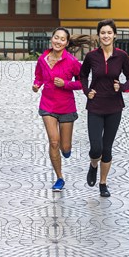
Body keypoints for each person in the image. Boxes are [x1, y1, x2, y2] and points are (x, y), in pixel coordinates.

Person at [79, 19, 129, 197]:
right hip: (95, 106)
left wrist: (123, 86)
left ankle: (103, 183)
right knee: (95, 148)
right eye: (103, 33)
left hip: (114, 106)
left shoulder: (121, 56)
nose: (106, 36)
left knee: (107, 148)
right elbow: (82, 74)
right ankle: (93, 165)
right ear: (98, 36)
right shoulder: (91, 56)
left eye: (109, 33)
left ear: (115, 35)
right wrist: (86, 90)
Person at [32, 27, 82, 191]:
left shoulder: (72, 62)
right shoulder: (43, 59)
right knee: (54, 141)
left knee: (64, 147)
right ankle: (59, 178)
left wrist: (66, 84)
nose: (58, 41)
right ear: (51, 39)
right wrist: (37, 85)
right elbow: (39, 76)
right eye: (56, 37)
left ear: (67, 43)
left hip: (66, 107)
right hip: (48, 105)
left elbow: (83, 83)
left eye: (62, 39)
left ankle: (66, 150)